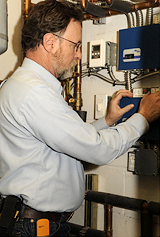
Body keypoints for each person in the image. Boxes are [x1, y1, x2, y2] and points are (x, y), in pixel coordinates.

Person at [0, 0, 159, 236]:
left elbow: (63, 141)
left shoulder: (25, 86)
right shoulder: (33, 92)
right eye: (76, 45)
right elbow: (96, 149)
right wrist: (143, 117)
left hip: (34, 224)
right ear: (50, 42)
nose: (80, 55)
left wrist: (106, 121)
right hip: (34, 228)